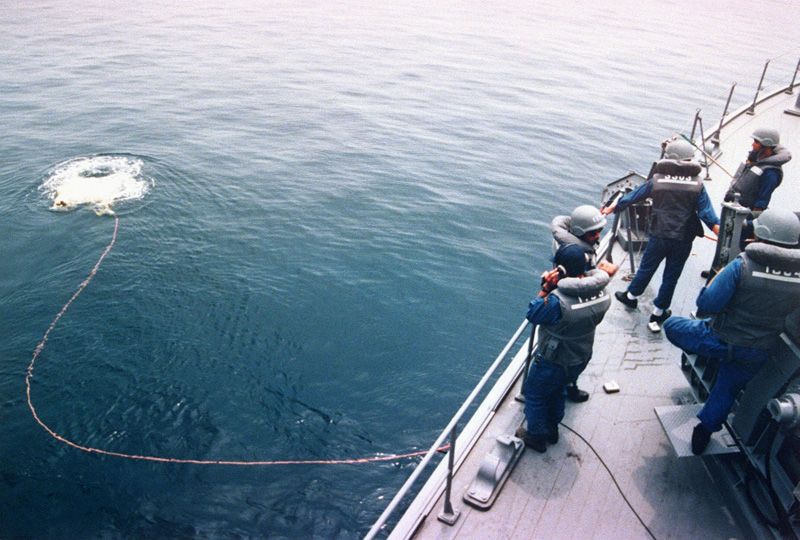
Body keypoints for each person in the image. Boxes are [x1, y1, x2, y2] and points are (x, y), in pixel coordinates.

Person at [663, 209, 800, 455]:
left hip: (721, 340)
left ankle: (713, 356)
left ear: (760, 234)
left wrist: (717, 280)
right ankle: (704, 431)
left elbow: (706, 305)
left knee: (672, 326)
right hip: (759, 350)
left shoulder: (742, 265)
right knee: (727, 387)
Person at [602, 138, 720, 332]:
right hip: (682, 238)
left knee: (646, 268)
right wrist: (723, 234)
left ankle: (631, 297)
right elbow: (708, 215)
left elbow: (632, 197)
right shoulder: (697, 184)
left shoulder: (657, 181)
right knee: (671, 276)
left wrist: (610, 208)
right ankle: (658, 313)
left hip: (658, 235)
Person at [515, 244, 611, 452]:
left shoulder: (559, 303)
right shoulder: (603, 293)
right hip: (580, 356)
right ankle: (552, 429)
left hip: (554, 360)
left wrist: (546, 288)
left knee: (535, 394)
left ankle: (537, 436)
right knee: (558, 391)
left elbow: (534, 313)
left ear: (561, 270)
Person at [550, 205, 618, 402]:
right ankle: (563, 387)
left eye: (600, 231)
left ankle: (569, 383)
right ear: (580, 233)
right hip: (570, 302)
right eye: (593, 232)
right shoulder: (578, 253)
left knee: (578, 351)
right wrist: (603, 275)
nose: (598, 235)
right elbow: (580, 280)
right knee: (566, 353)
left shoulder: (567, 240)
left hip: (573, 295)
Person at [724, 128, 792, 247]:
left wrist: (751, 226)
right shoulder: (756, 160)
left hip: (744, 217)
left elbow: (762, 202)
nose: (753, 144)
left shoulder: (771, 173)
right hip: (734, 212)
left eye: (756, 141)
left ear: (766, 145)